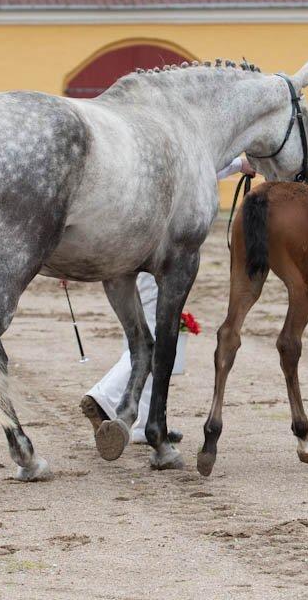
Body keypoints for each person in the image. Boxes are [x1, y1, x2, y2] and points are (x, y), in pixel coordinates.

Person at [81, 156, 257, 443]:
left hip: (128, 247)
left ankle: (141, 423)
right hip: (157, 251)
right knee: (153, 337)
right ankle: (103, 396)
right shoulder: (172, 152)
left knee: (139, 335)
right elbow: (201, 165)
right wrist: (238, 164)